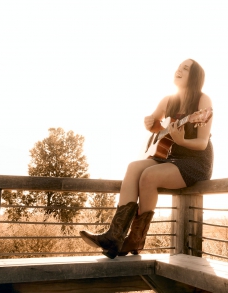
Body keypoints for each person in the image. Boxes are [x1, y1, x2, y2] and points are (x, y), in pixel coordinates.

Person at [80, 59, 214, 259]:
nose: (179, 69)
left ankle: (135, 239)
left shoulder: (202, 101)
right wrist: (150, 124)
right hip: (169, 155)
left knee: (149, 176)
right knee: (134, 167)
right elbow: (156, 127)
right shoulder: (168, 101)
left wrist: (182, 140)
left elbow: (202, 143)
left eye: (185, 68)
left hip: (194, 161)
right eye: (179, 66)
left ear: (194, 77)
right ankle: (114, 236)